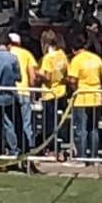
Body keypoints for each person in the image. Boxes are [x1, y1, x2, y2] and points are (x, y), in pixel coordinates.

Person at [67, 32, 102, 163]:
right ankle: (94, 156)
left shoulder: (76, 60)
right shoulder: (96, 58)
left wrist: (71, 89)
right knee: (93, 128)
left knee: (81, 129)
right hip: (96, 96)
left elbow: (73, 80)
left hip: (81, 97)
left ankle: (81, 156)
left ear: (73, 49)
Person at [37, 30, 69, 160]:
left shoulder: (47, 58)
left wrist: (38, 73)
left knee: (48, 124)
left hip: (50, 93)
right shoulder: (62, 55)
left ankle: (51, 149)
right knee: (58, 123)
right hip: (61, 91)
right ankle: (58, 148)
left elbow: (48, 77)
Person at [8, 33, 38, 155]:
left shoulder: (6, 54)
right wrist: (33, 90)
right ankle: (28, 148)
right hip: (24, 91)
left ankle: (12, 148)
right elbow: (32, 76)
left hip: (11, 91)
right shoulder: (26, 54)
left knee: (10, 122)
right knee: (26, 121)